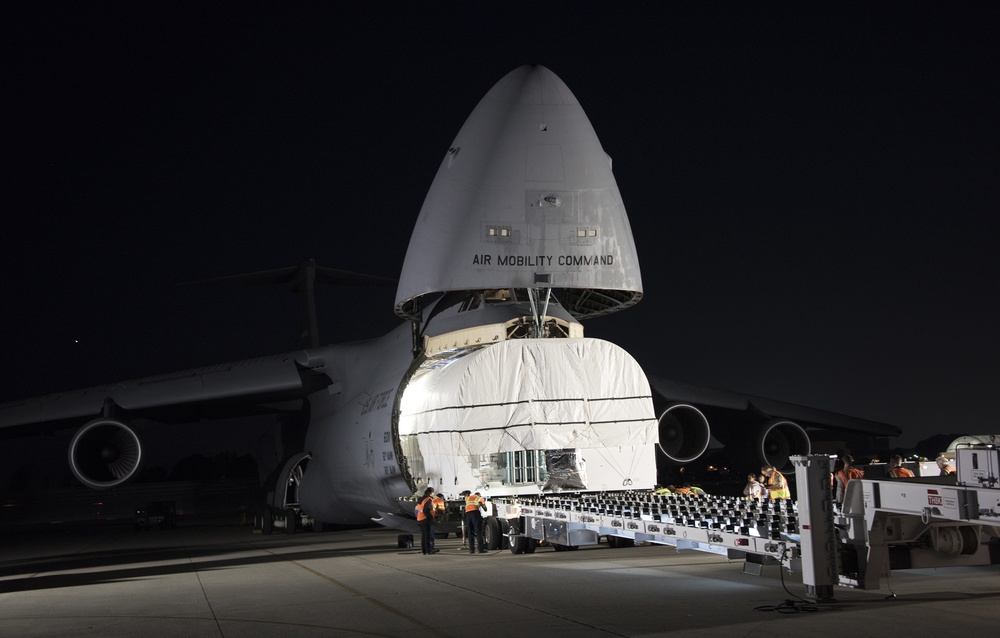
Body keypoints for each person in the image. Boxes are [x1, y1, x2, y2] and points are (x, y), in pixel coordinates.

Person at [464, 489, 487, 554]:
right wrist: (483, 506)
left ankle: (471, 549)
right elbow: (485, 508)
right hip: (475, 514)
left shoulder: (468, 498)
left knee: (470, 532)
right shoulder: (480, 498)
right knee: (478, 531)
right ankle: (480, 549)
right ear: (479, 495)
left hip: (468, 515)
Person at [416, 487, 438, 554]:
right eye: (433, 492)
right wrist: (431, 518)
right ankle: (428, 550)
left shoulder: (421, 499)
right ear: (430, 493)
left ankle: (424, 550)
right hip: (425, 519)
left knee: (424, 536)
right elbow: (426, 511)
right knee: (427, 536)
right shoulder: (428, 500)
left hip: (420, 518)